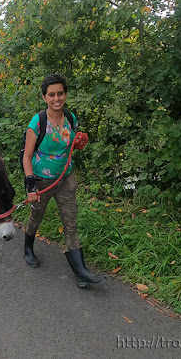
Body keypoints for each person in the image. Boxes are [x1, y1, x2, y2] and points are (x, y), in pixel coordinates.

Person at [22, 73, 105, 288]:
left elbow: (69, 145)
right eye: (51, 95)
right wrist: (30, 184)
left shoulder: (71, 118)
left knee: (70, 222)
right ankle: (28, 248)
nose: (56, 98)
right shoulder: (38, 122)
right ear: (44, 97)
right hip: (42, 181)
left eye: (60, 93)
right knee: (36, 216)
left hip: (66, 179)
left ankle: (80, 272)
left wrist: (79, 142)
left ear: (65, 94)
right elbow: (27, 156)